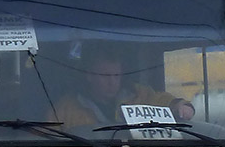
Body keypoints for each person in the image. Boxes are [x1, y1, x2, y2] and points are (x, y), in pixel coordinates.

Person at [54, 48, 194, 129]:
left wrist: (181, 105)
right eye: (105, 76)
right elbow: (46, 139)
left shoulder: (140, 95)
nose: (112, 82)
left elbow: (164, 101)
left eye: (117, 75)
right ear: (89, 76)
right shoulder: (66, 109)